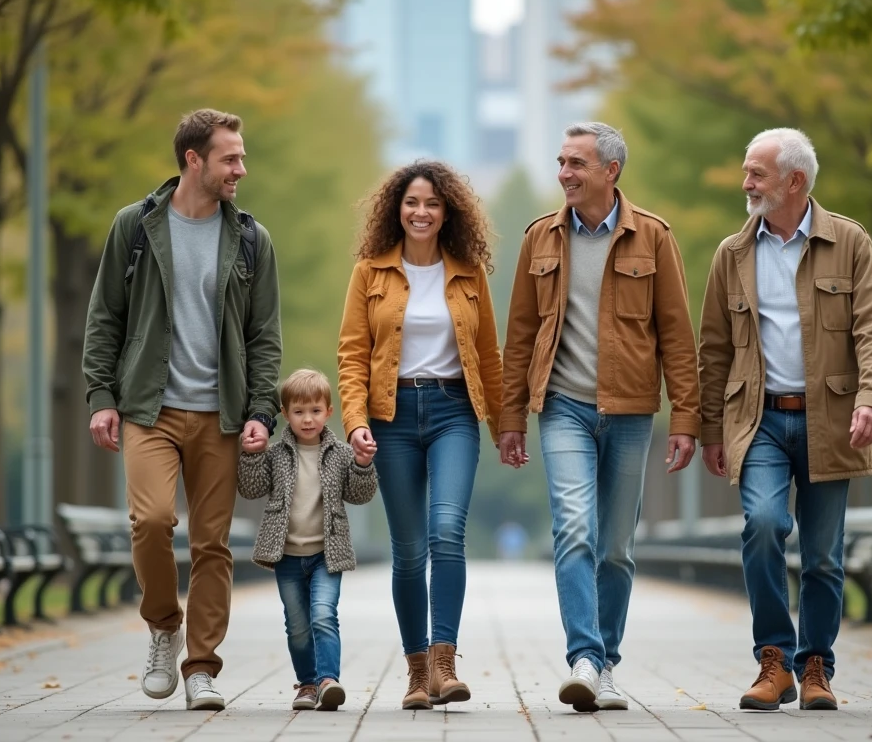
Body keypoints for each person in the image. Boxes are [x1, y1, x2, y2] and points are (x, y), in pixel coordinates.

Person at [82, 109, 282, 711]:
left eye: (241, 157)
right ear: (194, 160)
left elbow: (263, 336)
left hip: (221, 415)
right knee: (149, 524)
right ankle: (163, 626)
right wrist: (101, 398)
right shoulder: (135, 226)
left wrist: (261, 411)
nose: (240, 169)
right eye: (230, 158)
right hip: (150, 406)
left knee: (213, 545)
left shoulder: (251, 237)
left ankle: (202, 668)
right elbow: (105, 317)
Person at [499, 122, 701, 713]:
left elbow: (678, 338)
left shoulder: (654, 238)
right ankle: (583, 659)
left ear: (611, 171)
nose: (564, 173)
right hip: (561, 406)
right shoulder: (541, 238)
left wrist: (686, 419)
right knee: (575, 529)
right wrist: (511, 417)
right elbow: (519, 336)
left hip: (633, 411)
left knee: (615, 547)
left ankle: (606, 662)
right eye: (561, 162)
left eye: (576, 164)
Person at [698, 128, 872, 711]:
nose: (746, 183)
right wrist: (711, 428)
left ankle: (816, 669)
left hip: (831, 420)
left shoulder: (850, 243)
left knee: (824, 556)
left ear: (795, 181)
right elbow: (712, 348)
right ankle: (774, 660)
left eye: (756, 174)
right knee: (761, 526)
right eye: (746, 171)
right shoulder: (732, 254)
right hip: (758, 421)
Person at [337, 160, 504, 710]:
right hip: (392, 415)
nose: (422, 212)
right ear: (396, 209)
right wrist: (356, 422)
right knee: (408, 552)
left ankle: (444, 661)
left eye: (432, 203)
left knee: (446, 532)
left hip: (455, 409)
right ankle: (415, 674)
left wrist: (505, 425)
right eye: (412, 202)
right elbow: (353, 354)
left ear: (447, 210)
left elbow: (488, 355)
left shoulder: (468, 270)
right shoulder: (370, 272)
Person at [236, 368, 377, 712]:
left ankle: (329, 679)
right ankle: (308, 684)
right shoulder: (276, 454)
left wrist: (362, 464)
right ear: (285, 415)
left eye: (315, 411)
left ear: (329, 412)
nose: (308, 419)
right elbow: (251, 488)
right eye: (298, 412)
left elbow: (361, 495)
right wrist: (252, 454)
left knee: (323, 614)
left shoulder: (341, 453)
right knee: (297, 625)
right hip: (286, 555)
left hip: (326, 554)